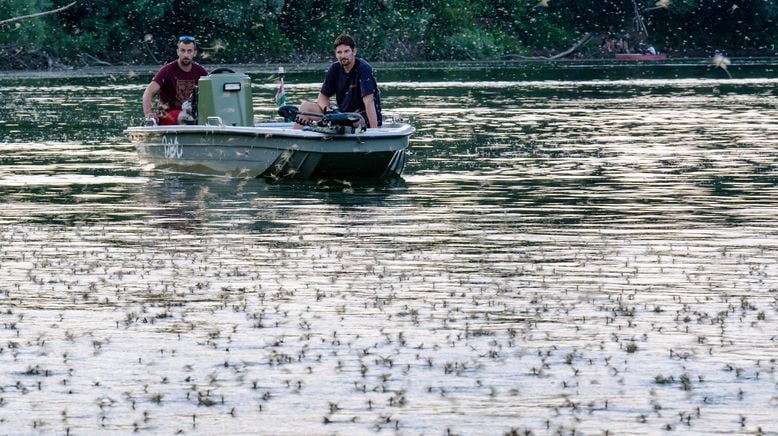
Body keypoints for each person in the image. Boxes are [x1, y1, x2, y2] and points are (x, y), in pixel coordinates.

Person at [298, 33, 382, 129]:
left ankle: (335, 126)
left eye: (346, 51)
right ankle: (294, 140)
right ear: (336, 54)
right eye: (339, 52)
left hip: (363, 117)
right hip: (342, 114)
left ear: (354, 52)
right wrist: (328, 111)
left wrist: (375, 131)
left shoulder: (363, 68)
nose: (343, 55)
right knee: (305, 107)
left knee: (347, 120)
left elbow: (369, 102)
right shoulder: (334, 68)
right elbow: (322, 97)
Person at [142, 35, 208, 125]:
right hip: (167, 116)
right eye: (183, 50)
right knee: (185, 117)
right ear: (177, 52)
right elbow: (148, 92)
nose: (186, 55)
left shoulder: (201, 72)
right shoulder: (167, 70)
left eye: (189, 51)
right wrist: (148, 113)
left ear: (195, 53)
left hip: (191, 115)